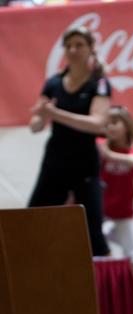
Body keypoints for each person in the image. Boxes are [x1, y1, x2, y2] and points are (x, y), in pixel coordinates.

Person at [28, 26, 111, 256]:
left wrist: (56, 114)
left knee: (93, 232)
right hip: (55, 161)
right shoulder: (53, 83)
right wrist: (40, 116)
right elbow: (35, 125)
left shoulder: (99, 83)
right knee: (33, 220)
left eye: (79, 45)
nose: (73, 50)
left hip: (84, 164)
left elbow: (97, 123)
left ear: (90, 48)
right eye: (68, 46)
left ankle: (99, 276)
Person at [97, 106, 133, 297]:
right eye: (107, 124)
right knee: (99, 255)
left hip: (123, 214)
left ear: (126, 125)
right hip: (102, 214)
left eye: (115, 123)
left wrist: (108, 155)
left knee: (132, 257)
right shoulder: (100, 144)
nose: (110, 127)